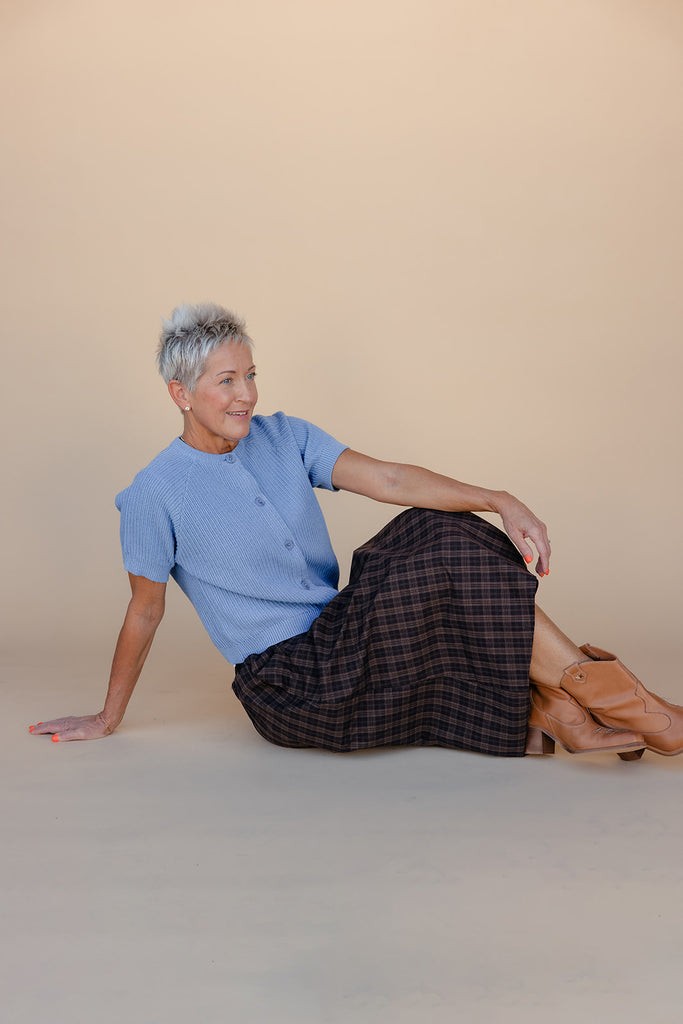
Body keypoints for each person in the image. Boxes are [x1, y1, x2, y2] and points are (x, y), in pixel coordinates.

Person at [30, 304, 683, 759]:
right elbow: (144, 612)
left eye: (250, 375)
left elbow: (393, 482)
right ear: (180, 393)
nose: (246, 395)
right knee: (439, 555)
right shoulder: (153, 493)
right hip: (293, 687)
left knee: (439, 526)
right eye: (225, 380)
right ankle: (623, 708)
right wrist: (107, 715)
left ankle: (574, 708)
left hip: (340, 636)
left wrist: (496, 499)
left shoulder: (285, 436)